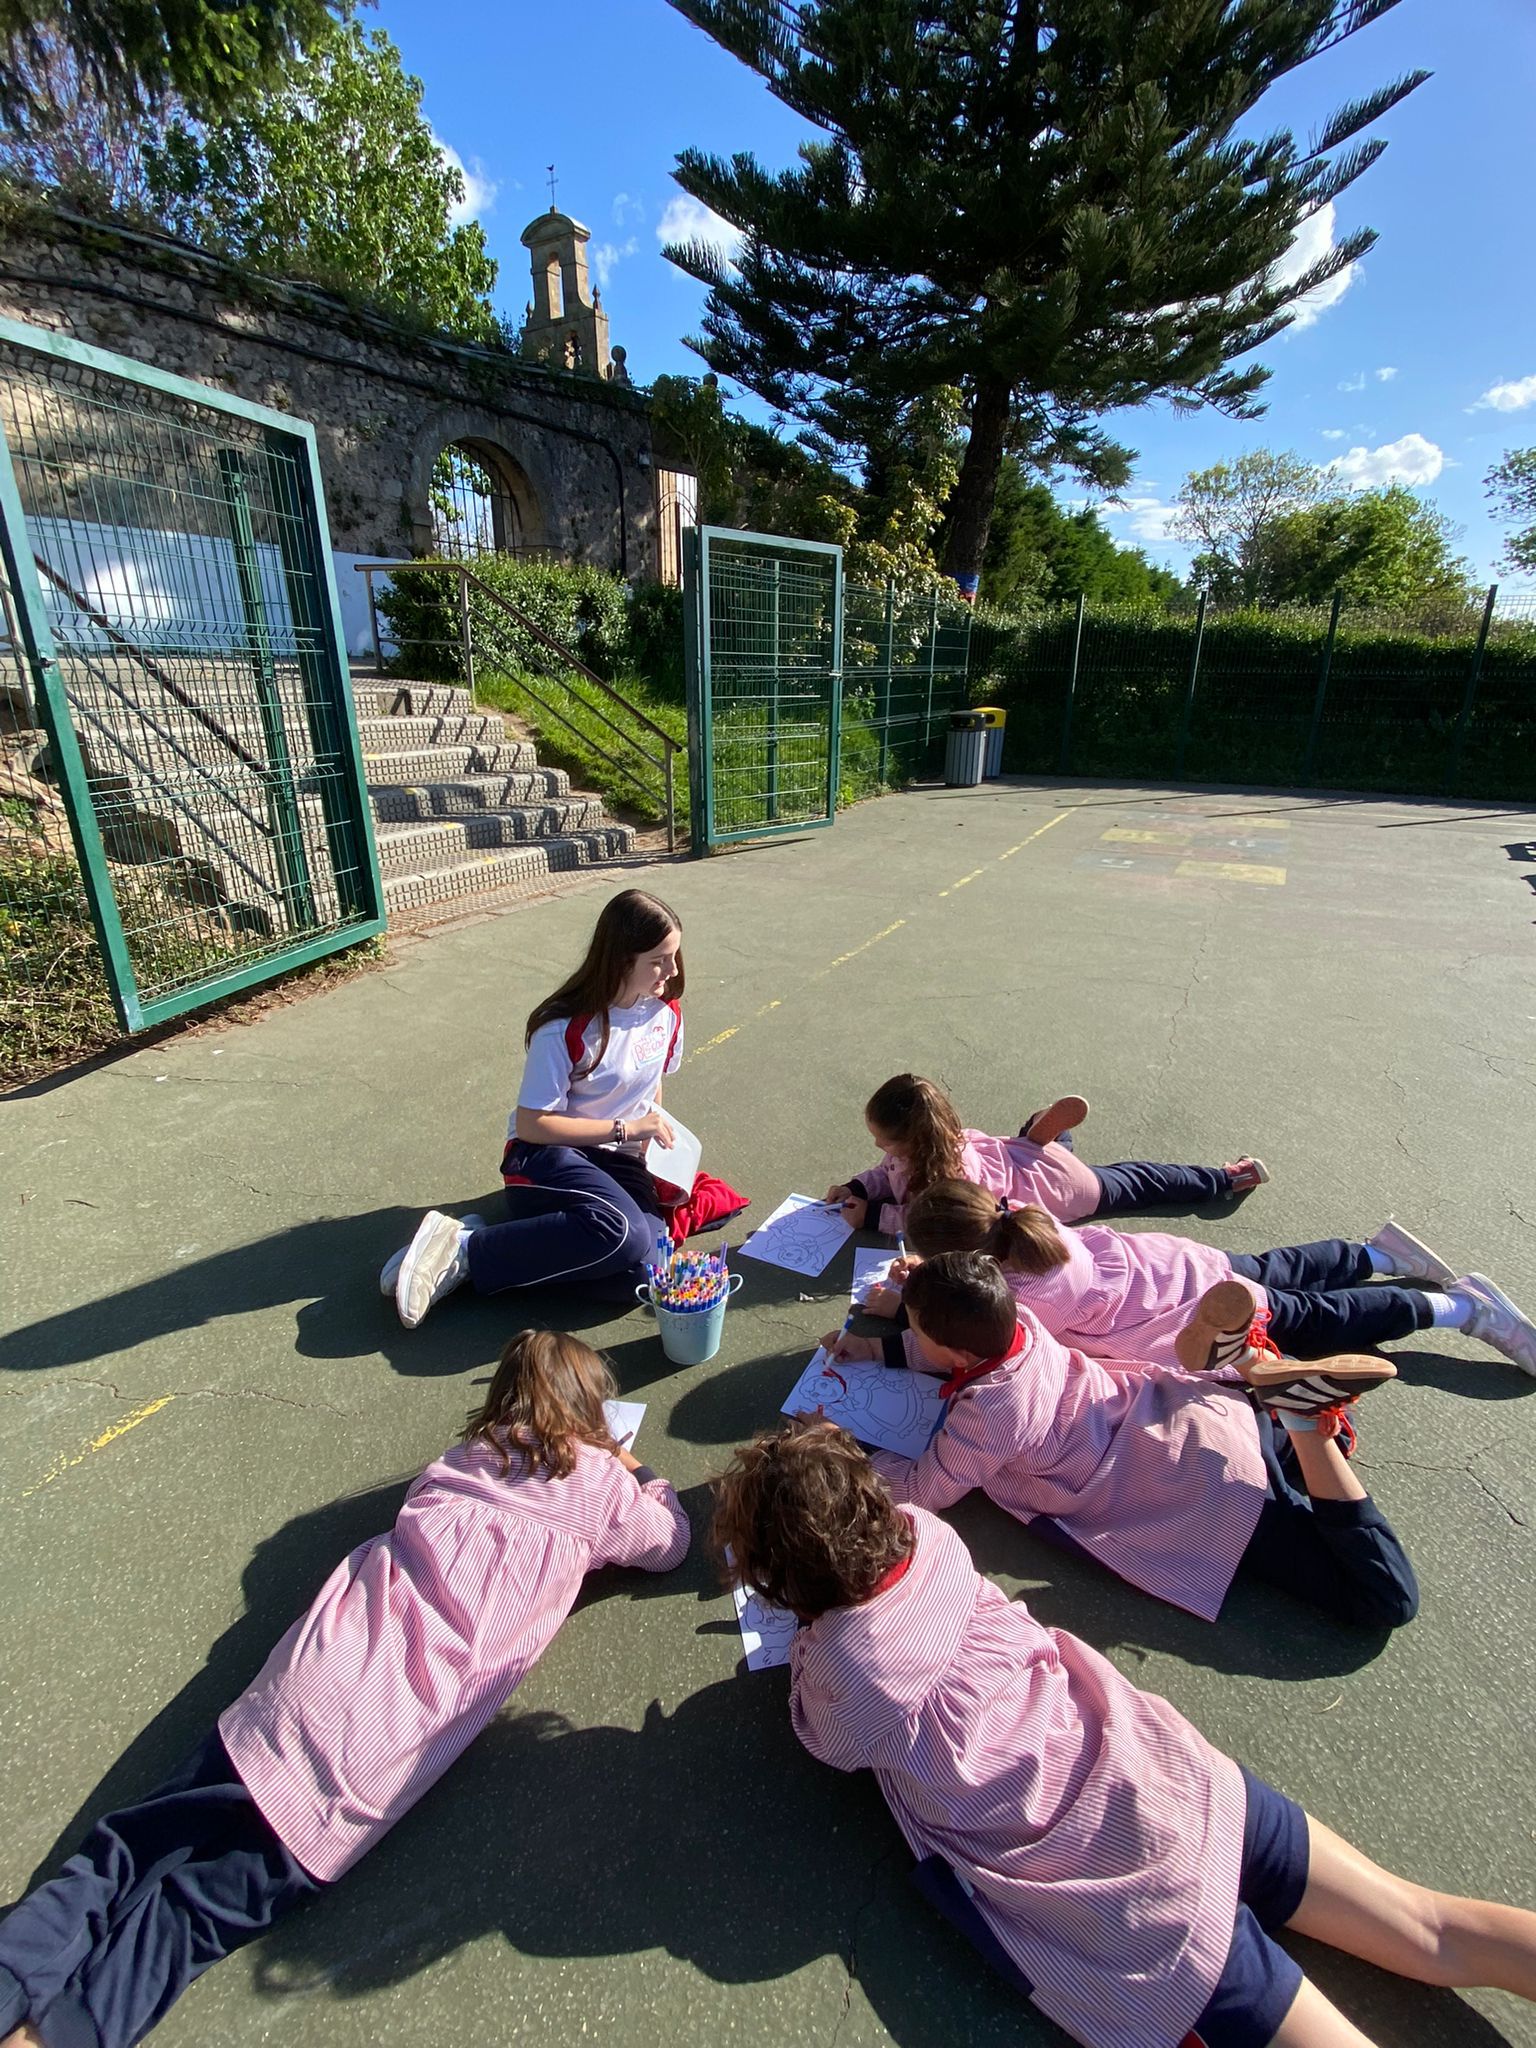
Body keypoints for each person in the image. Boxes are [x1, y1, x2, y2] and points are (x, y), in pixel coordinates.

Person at [712, 1418, 1536, 2048]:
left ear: (782, 1577)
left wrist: (811, 1647)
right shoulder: (928, 1537)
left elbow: (831, 1743)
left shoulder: (846, 1672)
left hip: (1133, 1909)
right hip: (1170, 1776)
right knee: (1430, 1926)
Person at [0, 1332, 688, 2048]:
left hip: (295, 1698)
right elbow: (669, 1541)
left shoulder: (459, 1463)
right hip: (363, 1770)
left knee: (124, 1852)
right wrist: (634, 1468)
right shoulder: (601, 1488)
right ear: (592, 1416)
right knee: (187, 1918)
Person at [823, 1250, 1419, 1629]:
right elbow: (953, 1352)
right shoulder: (1019, 1323)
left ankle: (1304, 1424)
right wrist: (879, 1348)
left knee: (1383, 1599)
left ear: (955, 1349)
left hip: (1202, 1491)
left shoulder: (993, 1416)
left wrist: (838, 1453)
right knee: (1317, 1470)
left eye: (915, 1330)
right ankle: (1283, 1408)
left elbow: (929, 1486)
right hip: (1204, 1413)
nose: (911, 1336)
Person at [389, 888, 689, 1327]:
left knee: (647, 1274)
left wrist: (649, 1147)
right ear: (621, 959)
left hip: (617, 1158)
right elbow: (533, 1125)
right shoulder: (565, 1027)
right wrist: (627, 1129)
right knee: (620, 1235)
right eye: (659, 959)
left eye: (675, 955)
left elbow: (652, 1080)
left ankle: (505, 1242)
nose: (673, 969)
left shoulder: (666, 1012)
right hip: (546, 1158)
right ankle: (465, 1251)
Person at [868, 1180, 1536, 1373]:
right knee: (1286, 1267)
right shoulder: (1021, 1218)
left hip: (1201, 1314)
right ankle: (1382, 1255)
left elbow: (966, 1343)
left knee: (1321, 1322)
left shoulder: (1023, 1302)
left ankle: (1461, 1310)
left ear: (974, 1266)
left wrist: (895, 1310)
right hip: (1187, 1265)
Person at [824, 1072, 1267, 1239]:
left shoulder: (951, 1188)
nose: (880, 1149)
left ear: (918, 1141)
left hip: (1055, 1190)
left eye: (886, 1141)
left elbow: (925, 1223)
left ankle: (1227, 1179)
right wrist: (858, 1187)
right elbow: (889, 1172)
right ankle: (1045, 1134)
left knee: (1139, 1181)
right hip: (1015, 1159)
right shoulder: (928, 1146)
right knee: (1035, 1149)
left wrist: (873, 1218)